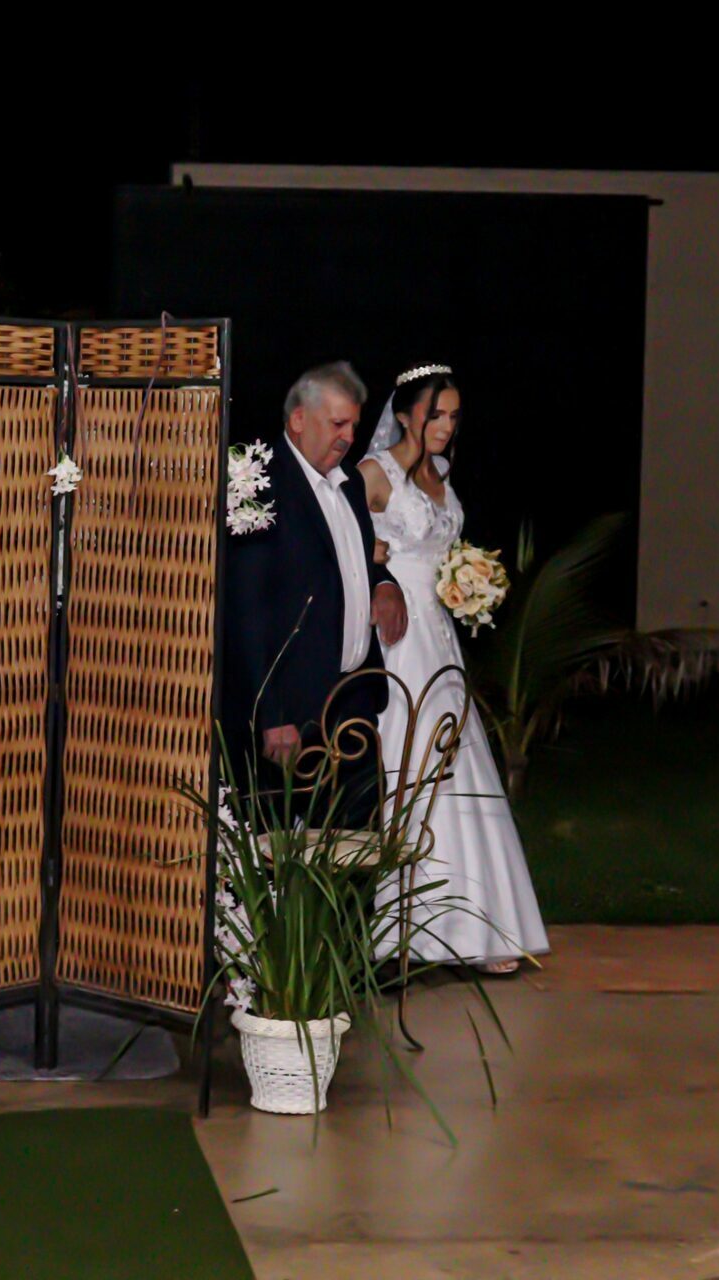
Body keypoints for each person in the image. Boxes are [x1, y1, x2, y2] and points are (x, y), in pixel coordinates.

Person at [359, 363, 548, 975]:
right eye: (435, 413)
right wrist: (381, 577)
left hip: (441, 637)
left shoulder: (440, 472)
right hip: (402, 638)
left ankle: (477, 926)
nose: (445, 425)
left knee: (458, 762)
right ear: (405, 413)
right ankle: (406, 930)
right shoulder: (374, 472)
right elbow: (348, 544)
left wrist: (469, 584)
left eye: (454, 415)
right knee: (415, 762)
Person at [220, 362, 408, 824]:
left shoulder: (352, 483)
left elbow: (354, 560)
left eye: (354, 426)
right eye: (338, 423)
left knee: (361, 842)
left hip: (353, 699)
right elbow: (246, 610)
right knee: (284, 849)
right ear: (299, 419)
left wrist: (385, 584)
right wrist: (272, 714)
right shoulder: (256, 482)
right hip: (292, 715)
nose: (348, 437)